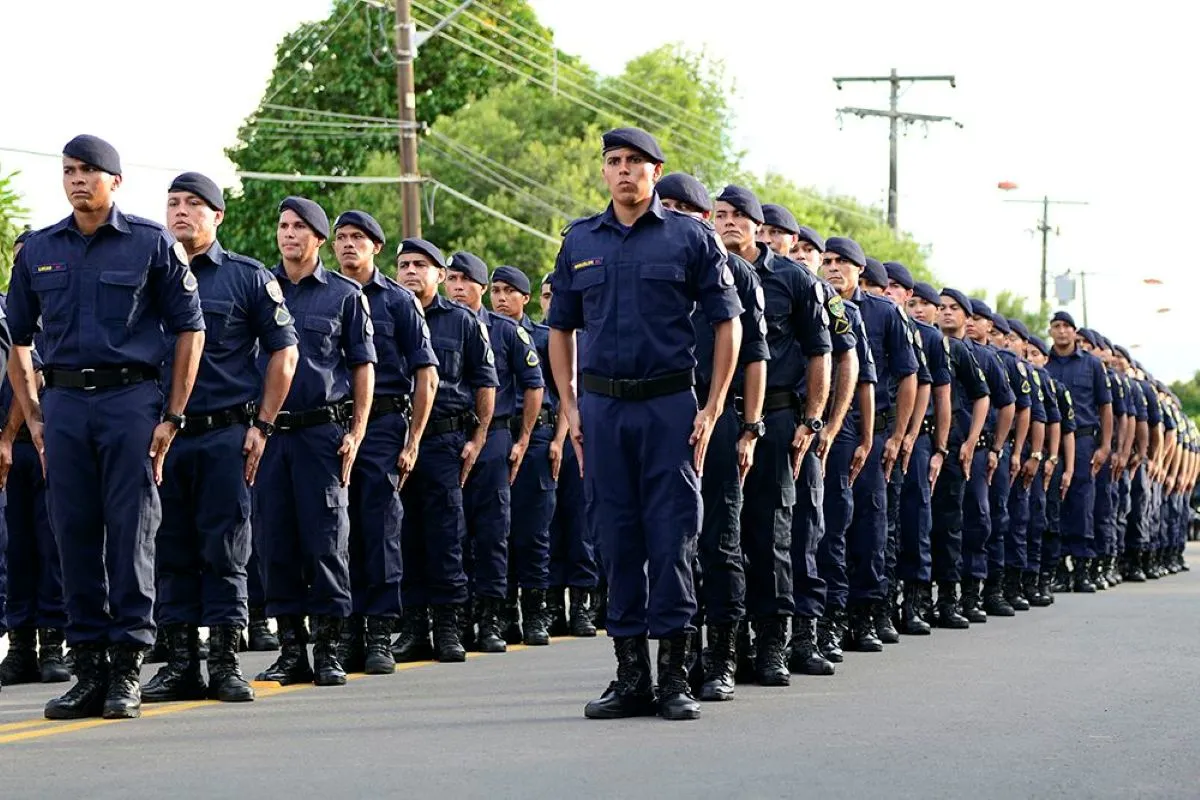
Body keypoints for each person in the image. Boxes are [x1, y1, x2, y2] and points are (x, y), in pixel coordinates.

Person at [7, 135, 205, 719]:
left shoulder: (150, 244)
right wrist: (36, 416)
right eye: (69, 170)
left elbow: (189, 329)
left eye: (89, 170)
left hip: (130, 403)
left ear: (115, 181)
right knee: (71, 534)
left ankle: (125, 671)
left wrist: (172, 414)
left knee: (130, 533)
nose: (77, 180)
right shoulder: (40, 248)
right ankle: (87, 666)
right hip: (64, 406)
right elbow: (18, 336)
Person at [548, 127, 742, 721]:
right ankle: (630, 674)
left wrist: (711, 409)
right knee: (615, 536)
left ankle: (676, 678)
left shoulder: (690, 238)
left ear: (656, 172)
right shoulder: (581, 241)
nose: (625, 170)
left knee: (673, 537)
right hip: (603, 410)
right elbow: (560, 328)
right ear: (603, 172)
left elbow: (726, 323)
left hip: (669, 409)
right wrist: (571, 406)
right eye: (614, 161)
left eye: (636, 162)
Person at [142, 173, 299, 704]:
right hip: (161, 436)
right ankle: (181, 662)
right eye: (173, 203)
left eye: (193, 204)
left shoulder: (246, 278)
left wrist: (263, 426)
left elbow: (285, 351)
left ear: (218, 216)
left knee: (226, 548)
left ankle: (226, 662)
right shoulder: (147, 274)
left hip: (225, 433)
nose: (180, 212)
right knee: (169, 548)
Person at [252, 197, 376, 688]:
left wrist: (358, 431)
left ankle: (327, 650)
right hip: (270, 434)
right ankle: (290, 650)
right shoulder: (259, 289)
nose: (288, 235)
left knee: (326, 541)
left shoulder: (345, 295)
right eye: (282, 226)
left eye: (299, 227)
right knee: (275, 541)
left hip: (322, 434)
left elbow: (363, 366)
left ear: (319, 239)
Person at [658, 173, 769, 699]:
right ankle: (673, 659)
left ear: (703, 218)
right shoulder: (645, 265)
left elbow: (755, 360)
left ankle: (722, 658)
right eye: (667, 205)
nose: (673, 213)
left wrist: (747, 427)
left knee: (721, 541)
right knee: (667, 543)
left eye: (685, 207)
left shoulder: (737, 275)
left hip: (717, 415)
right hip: (658, 414)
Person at [714, 185, 830, 686]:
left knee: (771, 534)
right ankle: (724, 645)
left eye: (740, 216)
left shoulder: (794, 279)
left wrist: (812, 420)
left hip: (778, 419)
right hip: (716, 415)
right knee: (718, 537)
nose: (729, 223)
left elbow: (820, 352)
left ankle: (772, 646)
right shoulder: (704, 270)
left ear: (758, 225)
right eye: (720, 215)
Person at [331, 210, 438, 675]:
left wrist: (412, 440)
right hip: (332, 426)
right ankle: (346, 630)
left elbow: (426, 375)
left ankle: (379, 631)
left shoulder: (398, 301)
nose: (348, 245)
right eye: (341, 237)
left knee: (378, 528)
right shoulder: (328, 295)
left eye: (358, 237)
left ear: (376, 247)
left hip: (383, 426)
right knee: (336, 531)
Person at [758, 204, 859, 676]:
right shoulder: (733, 276)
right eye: (769, 232)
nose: (776, 241)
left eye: (786, 236)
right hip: (746, 421)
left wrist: (828, 423)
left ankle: (805, 636)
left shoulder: (819, 292)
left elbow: (847, 359)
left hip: (796, 422)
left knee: (802, 531)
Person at [392, 238, 497, 664]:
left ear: (439, 274)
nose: (410, 272)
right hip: (392, 438)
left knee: (445, 533)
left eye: (421, 264)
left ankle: (450, 627)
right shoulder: (384, 310)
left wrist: (479, 437)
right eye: (403, 265)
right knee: (402, 534)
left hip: (442, 440)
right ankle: (414, 626)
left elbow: (485, 382)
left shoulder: (463, 321)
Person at [821, 237, 916, 652]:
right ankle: (830, 616)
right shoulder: (815, 301)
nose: (833, 268)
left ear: (860, 269)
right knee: (828, 526)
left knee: (870, 525)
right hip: (821, 428)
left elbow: (908, 375)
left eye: (842, 262)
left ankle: (867, 614)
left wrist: (896, 435)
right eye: (827, 261)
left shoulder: (884, 313)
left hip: (869, 434)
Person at [445, 251, 543, 652]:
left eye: (466, 280)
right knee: (452, 533)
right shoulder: (435, 323)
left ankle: (491, 620)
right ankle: (457, 618)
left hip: (494, 438)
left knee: (491, 533)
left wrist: (522, 439)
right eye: (451, 279)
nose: (457, 287)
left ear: (480, 289)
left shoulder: (505, 331)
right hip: (448, 437)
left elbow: (534, 385)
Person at [491, 266, 586, 640]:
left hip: (540, 437)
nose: (500, 298)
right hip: (501, 432)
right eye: (495, 290)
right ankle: (507, 613)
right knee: (500, 530)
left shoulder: (543, 338)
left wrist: (560, 440)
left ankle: (536, 613)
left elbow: (566, 393)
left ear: (525, 298)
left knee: (535, 530)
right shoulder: (485, 332)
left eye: (508, 291)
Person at [0, 231, 58, 688]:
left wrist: (13, 433)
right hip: (14, 450)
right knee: (16, 547)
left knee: (52, 543)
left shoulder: (59, 310)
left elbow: (33, 372)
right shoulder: (8, 310)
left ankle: (54, 643)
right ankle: (20, 645)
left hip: (50, 442)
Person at [913, 284, 989, 628]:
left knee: (948, 523)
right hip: (919, 440)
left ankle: (947, 598)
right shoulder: (918, 338)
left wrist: (972, 442)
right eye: (940, 306)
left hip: (952, 445)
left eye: (951, 307)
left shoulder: (959, 351)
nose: (945, 312)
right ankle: (916, 598)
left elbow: (982, 396)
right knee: (916, 524)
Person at [539, 273, 600, 640]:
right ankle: (552, 605)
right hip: (547, 439)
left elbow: (571, 393)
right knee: (551, 527)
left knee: (580, 526)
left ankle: (582, 605)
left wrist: (562, 438)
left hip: (580, 436)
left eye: (556, 295)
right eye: (546, 296)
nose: (551, 302)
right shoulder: (538, 336)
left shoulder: (587, 336)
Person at [882, 262, 936, 636]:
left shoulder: (924, 336)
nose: (885, 293)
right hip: (869, 431)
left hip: (909, 437)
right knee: (879, 524)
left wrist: (909, 436)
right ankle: (880, 602)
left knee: (914, 518)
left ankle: (915, 600)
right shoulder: (863, 317)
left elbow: (925, 387)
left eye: (891, 287)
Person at [955, 297, 1016, 621]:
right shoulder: (936, 344)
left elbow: (1007, 405)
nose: (973, 323)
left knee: (981, 519)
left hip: (978, 449)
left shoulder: (989, 359)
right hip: (941, 444)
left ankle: (980, 591)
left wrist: (996, 448)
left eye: (978, 317)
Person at [1045, 311, 1112, 592]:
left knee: (1082, 501)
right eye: (1056, 327)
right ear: (1050, 331)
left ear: (1075, 332)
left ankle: (1083, 568)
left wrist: (1106, 445)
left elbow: (1105, 407)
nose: (1061, 332)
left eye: (1066, 327)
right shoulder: (1043, 364)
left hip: (1084, 440)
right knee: (1054, 501)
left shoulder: (1092, 365)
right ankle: (1060, 568)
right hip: (1051, 442)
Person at [981, 311, 1034, 615]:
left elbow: (1022, 410)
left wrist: (1012, 452)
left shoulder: (1007, 363)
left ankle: (998, 587)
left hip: (996, 447)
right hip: (958, 446)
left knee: (999, 519)